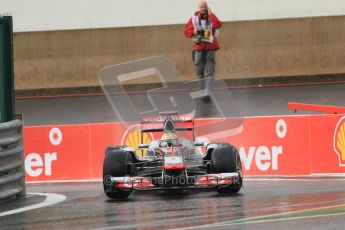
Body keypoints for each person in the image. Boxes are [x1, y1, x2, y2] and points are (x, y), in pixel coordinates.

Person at [184, 0, 222, 102]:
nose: (203, 8)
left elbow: (218, 25)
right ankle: (203, 91)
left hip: (210, 47)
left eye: (205, 6)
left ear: (207, 7)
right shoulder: (194, 18)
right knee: (199, 72)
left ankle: (207, 93)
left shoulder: (211, 17)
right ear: (198, 8)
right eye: (201, 6)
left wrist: (211, 14)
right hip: (199, 47)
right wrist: (193, 31)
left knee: (210, 72)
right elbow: (186, 32)